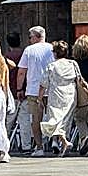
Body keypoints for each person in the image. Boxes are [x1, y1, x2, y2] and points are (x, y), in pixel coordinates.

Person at [38, 41, 82, 156]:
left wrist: (39, 98)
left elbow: (43, 84)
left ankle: (60, 141)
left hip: (56, 95)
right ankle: (59, 142)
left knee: (54, 118)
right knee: (65, 120)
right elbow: (79, 79)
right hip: (70, 95)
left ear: (55, 53)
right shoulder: (73, 64)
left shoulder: (51, 66)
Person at [17, 26, 54, 156]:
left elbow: (22, 71)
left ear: (37, 37)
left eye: (31, 37)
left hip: (33, 90)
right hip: (51, 89)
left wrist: (19, 88)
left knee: (36, 119)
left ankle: (39, 147)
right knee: (54, 117)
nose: (30, 39)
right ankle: (55, 142)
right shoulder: (52, 48)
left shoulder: (29, 50)